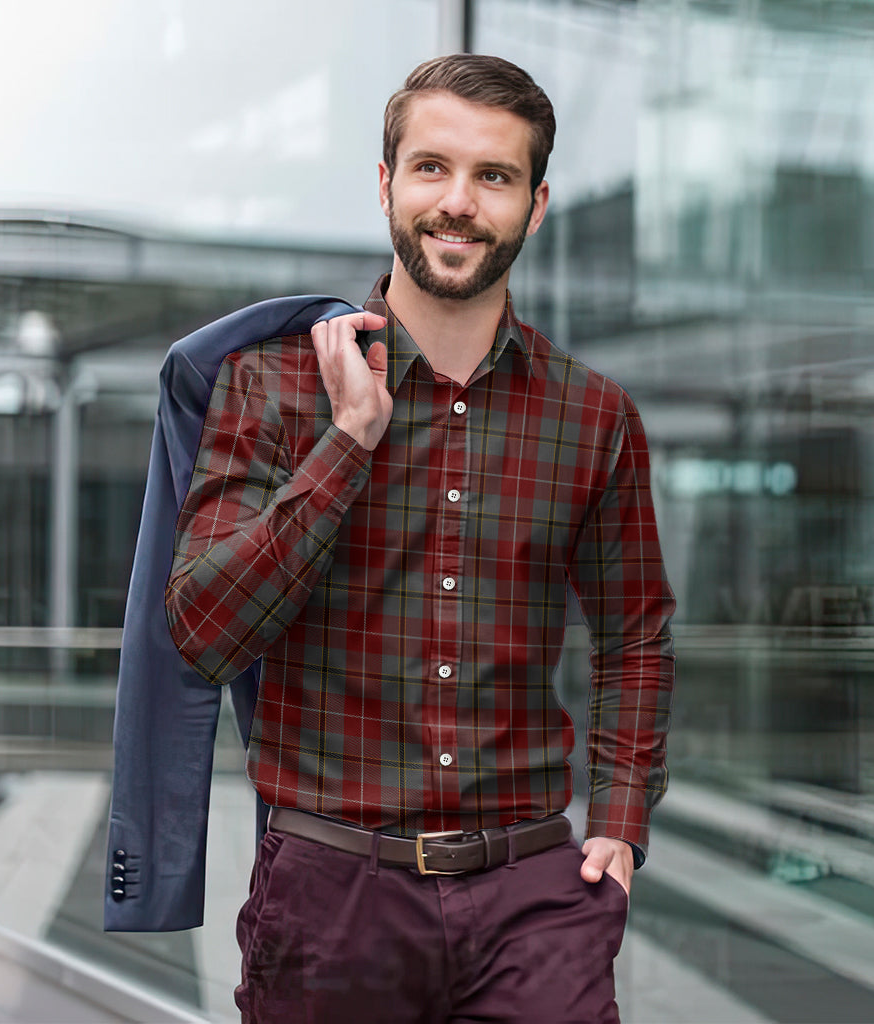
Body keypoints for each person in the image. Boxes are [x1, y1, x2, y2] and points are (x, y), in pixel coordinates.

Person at [165, 53, 675, 1024]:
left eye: (495, 176)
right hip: (332, 898)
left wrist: (617, 821)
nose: (459, 202)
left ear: (536, 203)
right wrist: (350, 439)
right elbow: (203, 631)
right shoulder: (271, 387)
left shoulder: (593, 416)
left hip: (534, 897)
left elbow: (635, 633)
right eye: (433, 167)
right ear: (387, 182)